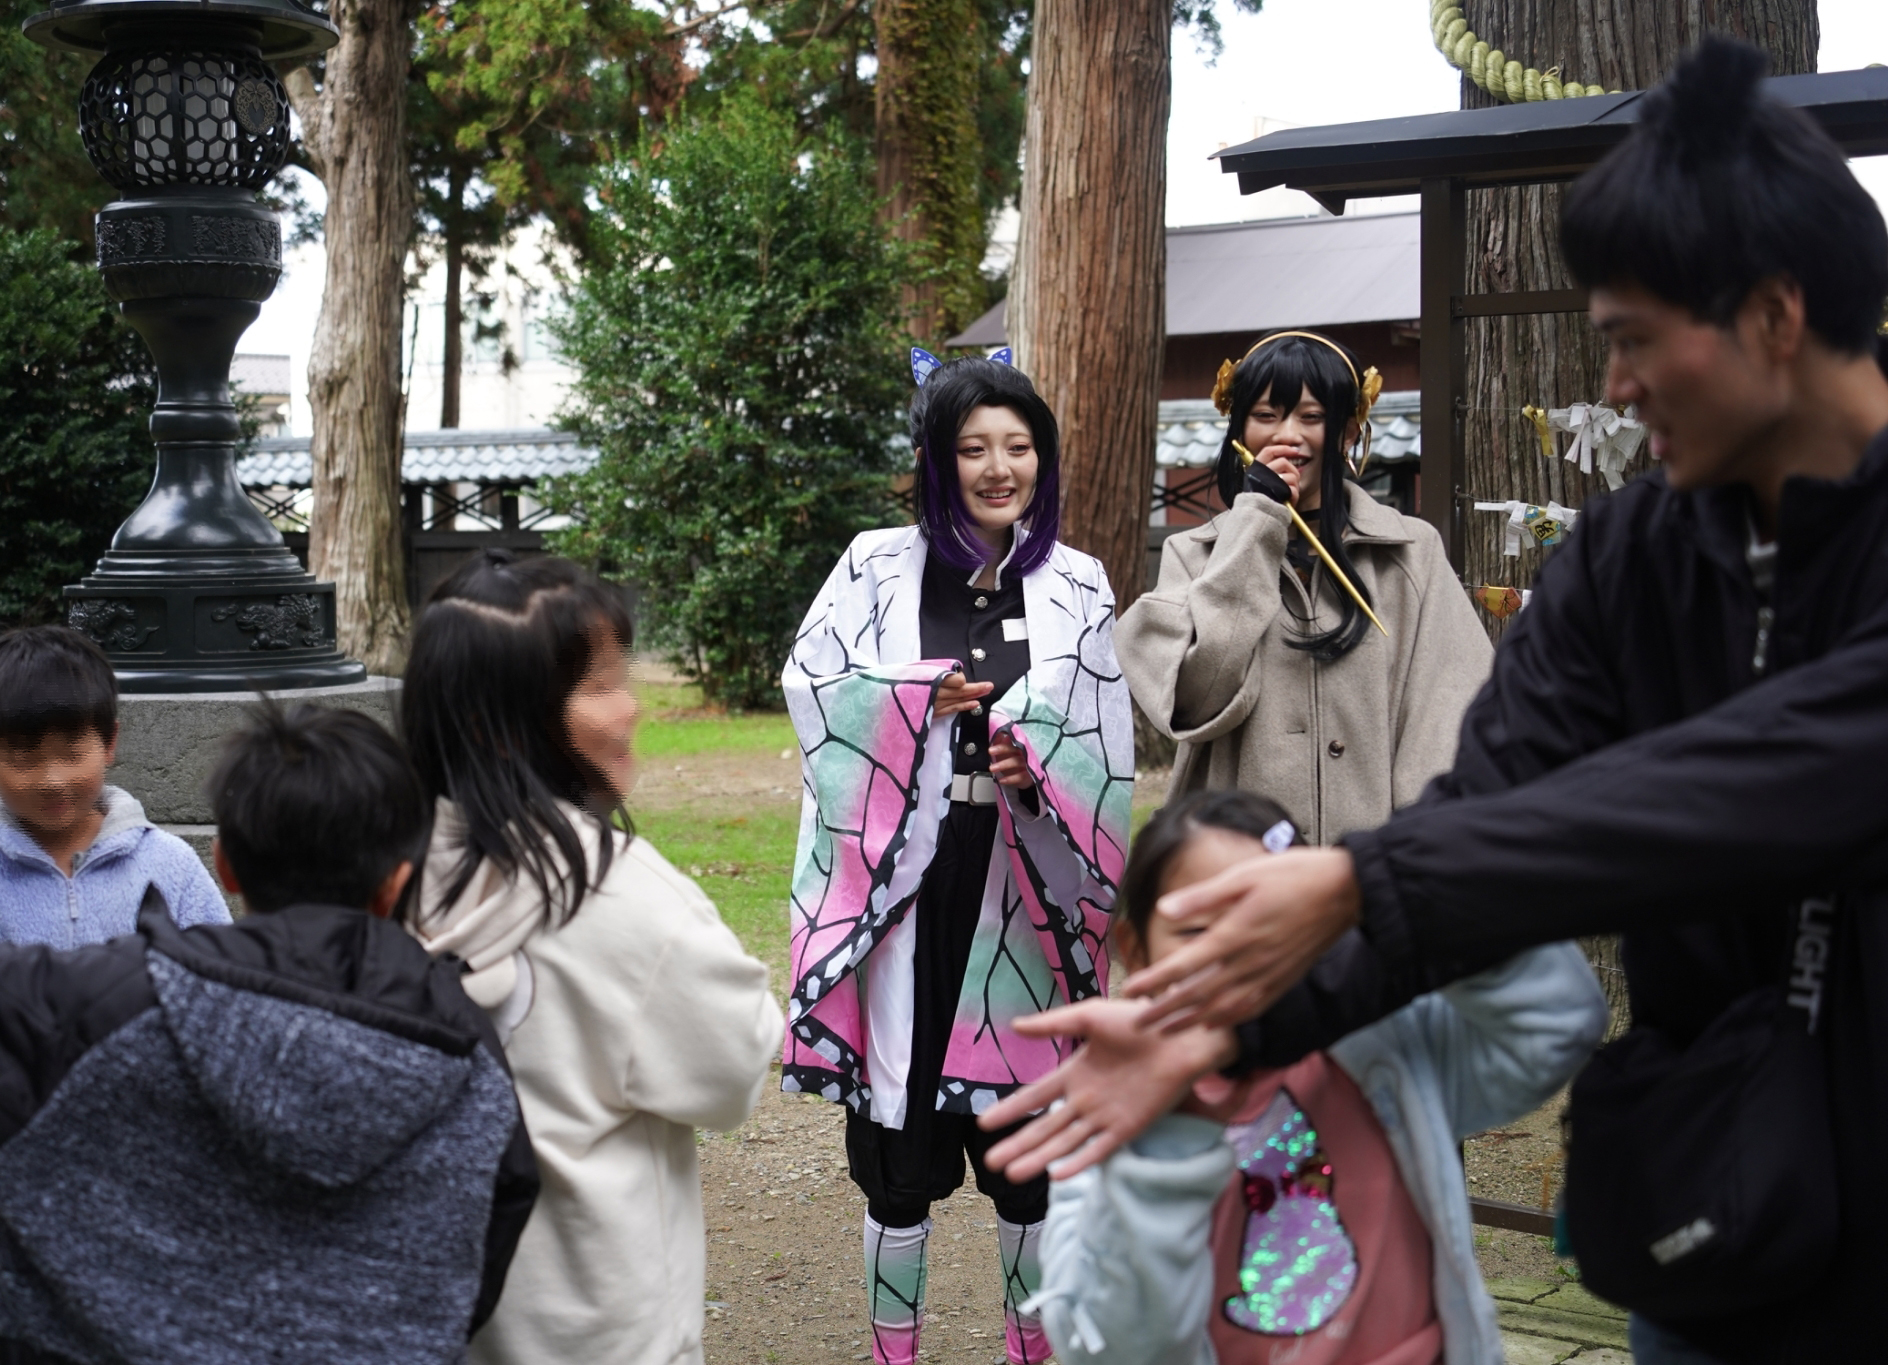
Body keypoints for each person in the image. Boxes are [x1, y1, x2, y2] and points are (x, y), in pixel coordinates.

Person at [983, 37, 1888, 1364]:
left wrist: (1358, 879)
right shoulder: (1625, 564)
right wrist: (1217, 1030)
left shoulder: (1416, 556)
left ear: (1773, 315)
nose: (1616, 387)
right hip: (1723, 1209)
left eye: (1635, 341)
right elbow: (1487, 808)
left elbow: (1785, 778)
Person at [0, 702, 539, 1365]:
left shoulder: (83, 1009)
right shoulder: (469, 1053)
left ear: (225, 863)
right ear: (397, 882)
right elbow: (491, 1235)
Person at [783, 349, 1134, 1365]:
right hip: (907, 880)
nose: (998, 468)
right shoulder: (871, 564)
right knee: (898, 1151)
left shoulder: (1078, 583)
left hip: (1027, 883)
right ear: (934, 460)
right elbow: (812, 688)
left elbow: (1109, 739)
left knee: (1028, 1154)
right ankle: (896, 1354)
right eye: (972, 448)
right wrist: (908, 701)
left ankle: (1033, 1352)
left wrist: (1040, 764)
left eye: (1018, 447)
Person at [1030, 789, 1604, 1365]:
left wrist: (1391, 894)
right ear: (1135, 949)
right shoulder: (1112, 1102)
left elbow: (1558, 1022)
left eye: (1270, 923)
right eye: (1199, 930)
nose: (1238, 954)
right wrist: (1165, 1139)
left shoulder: (1387, 1041)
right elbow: (1105, 1347)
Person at [402, 550, 784, 1365]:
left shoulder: (387, 870)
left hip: (437, 1324)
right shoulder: (620, 894)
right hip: (601, 1331)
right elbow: (736, 1064)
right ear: (506, 724)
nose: (632, 706)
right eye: (602, 685)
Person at [0, 625, 229, 1365]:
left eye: (72, 750)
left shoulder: (169, 867)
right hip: (2, 1170)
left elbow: (228, 1002)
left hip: (152, 1170)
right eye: (22, 755)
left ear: (111, 742)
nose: (51, 778)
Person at [1116, 330, 1490, 845]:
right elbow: (1195, 703)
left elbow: (1447, 717)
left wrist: (1410, 849)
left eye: (1312, 417)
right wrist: (1256, 522)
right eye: (1266, 415)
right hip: (1237, 862)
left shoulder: (1411, 552)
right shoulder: (1194, 556)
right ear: (1239, 430)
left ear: (1349, 432)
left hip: (1374, 865)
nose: (1287, 435)